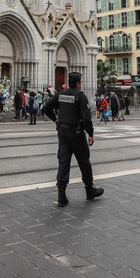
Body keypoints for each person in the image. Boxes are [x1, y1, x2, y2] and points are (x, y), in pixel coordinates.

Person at [42, 71, 104, 207]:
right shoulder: (80, 96)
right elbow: (86, 118)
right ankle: (89, 190)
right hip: (76, 133)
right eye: (80, 82)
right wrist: (91, 134)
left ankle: (61, 195)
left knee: (63, 162)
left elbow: (46, 108)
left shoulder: (60, 94)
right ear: (77, 83)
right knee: (84, 161)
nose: (81, 84)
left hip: (63, 132)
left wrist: (56, 120)